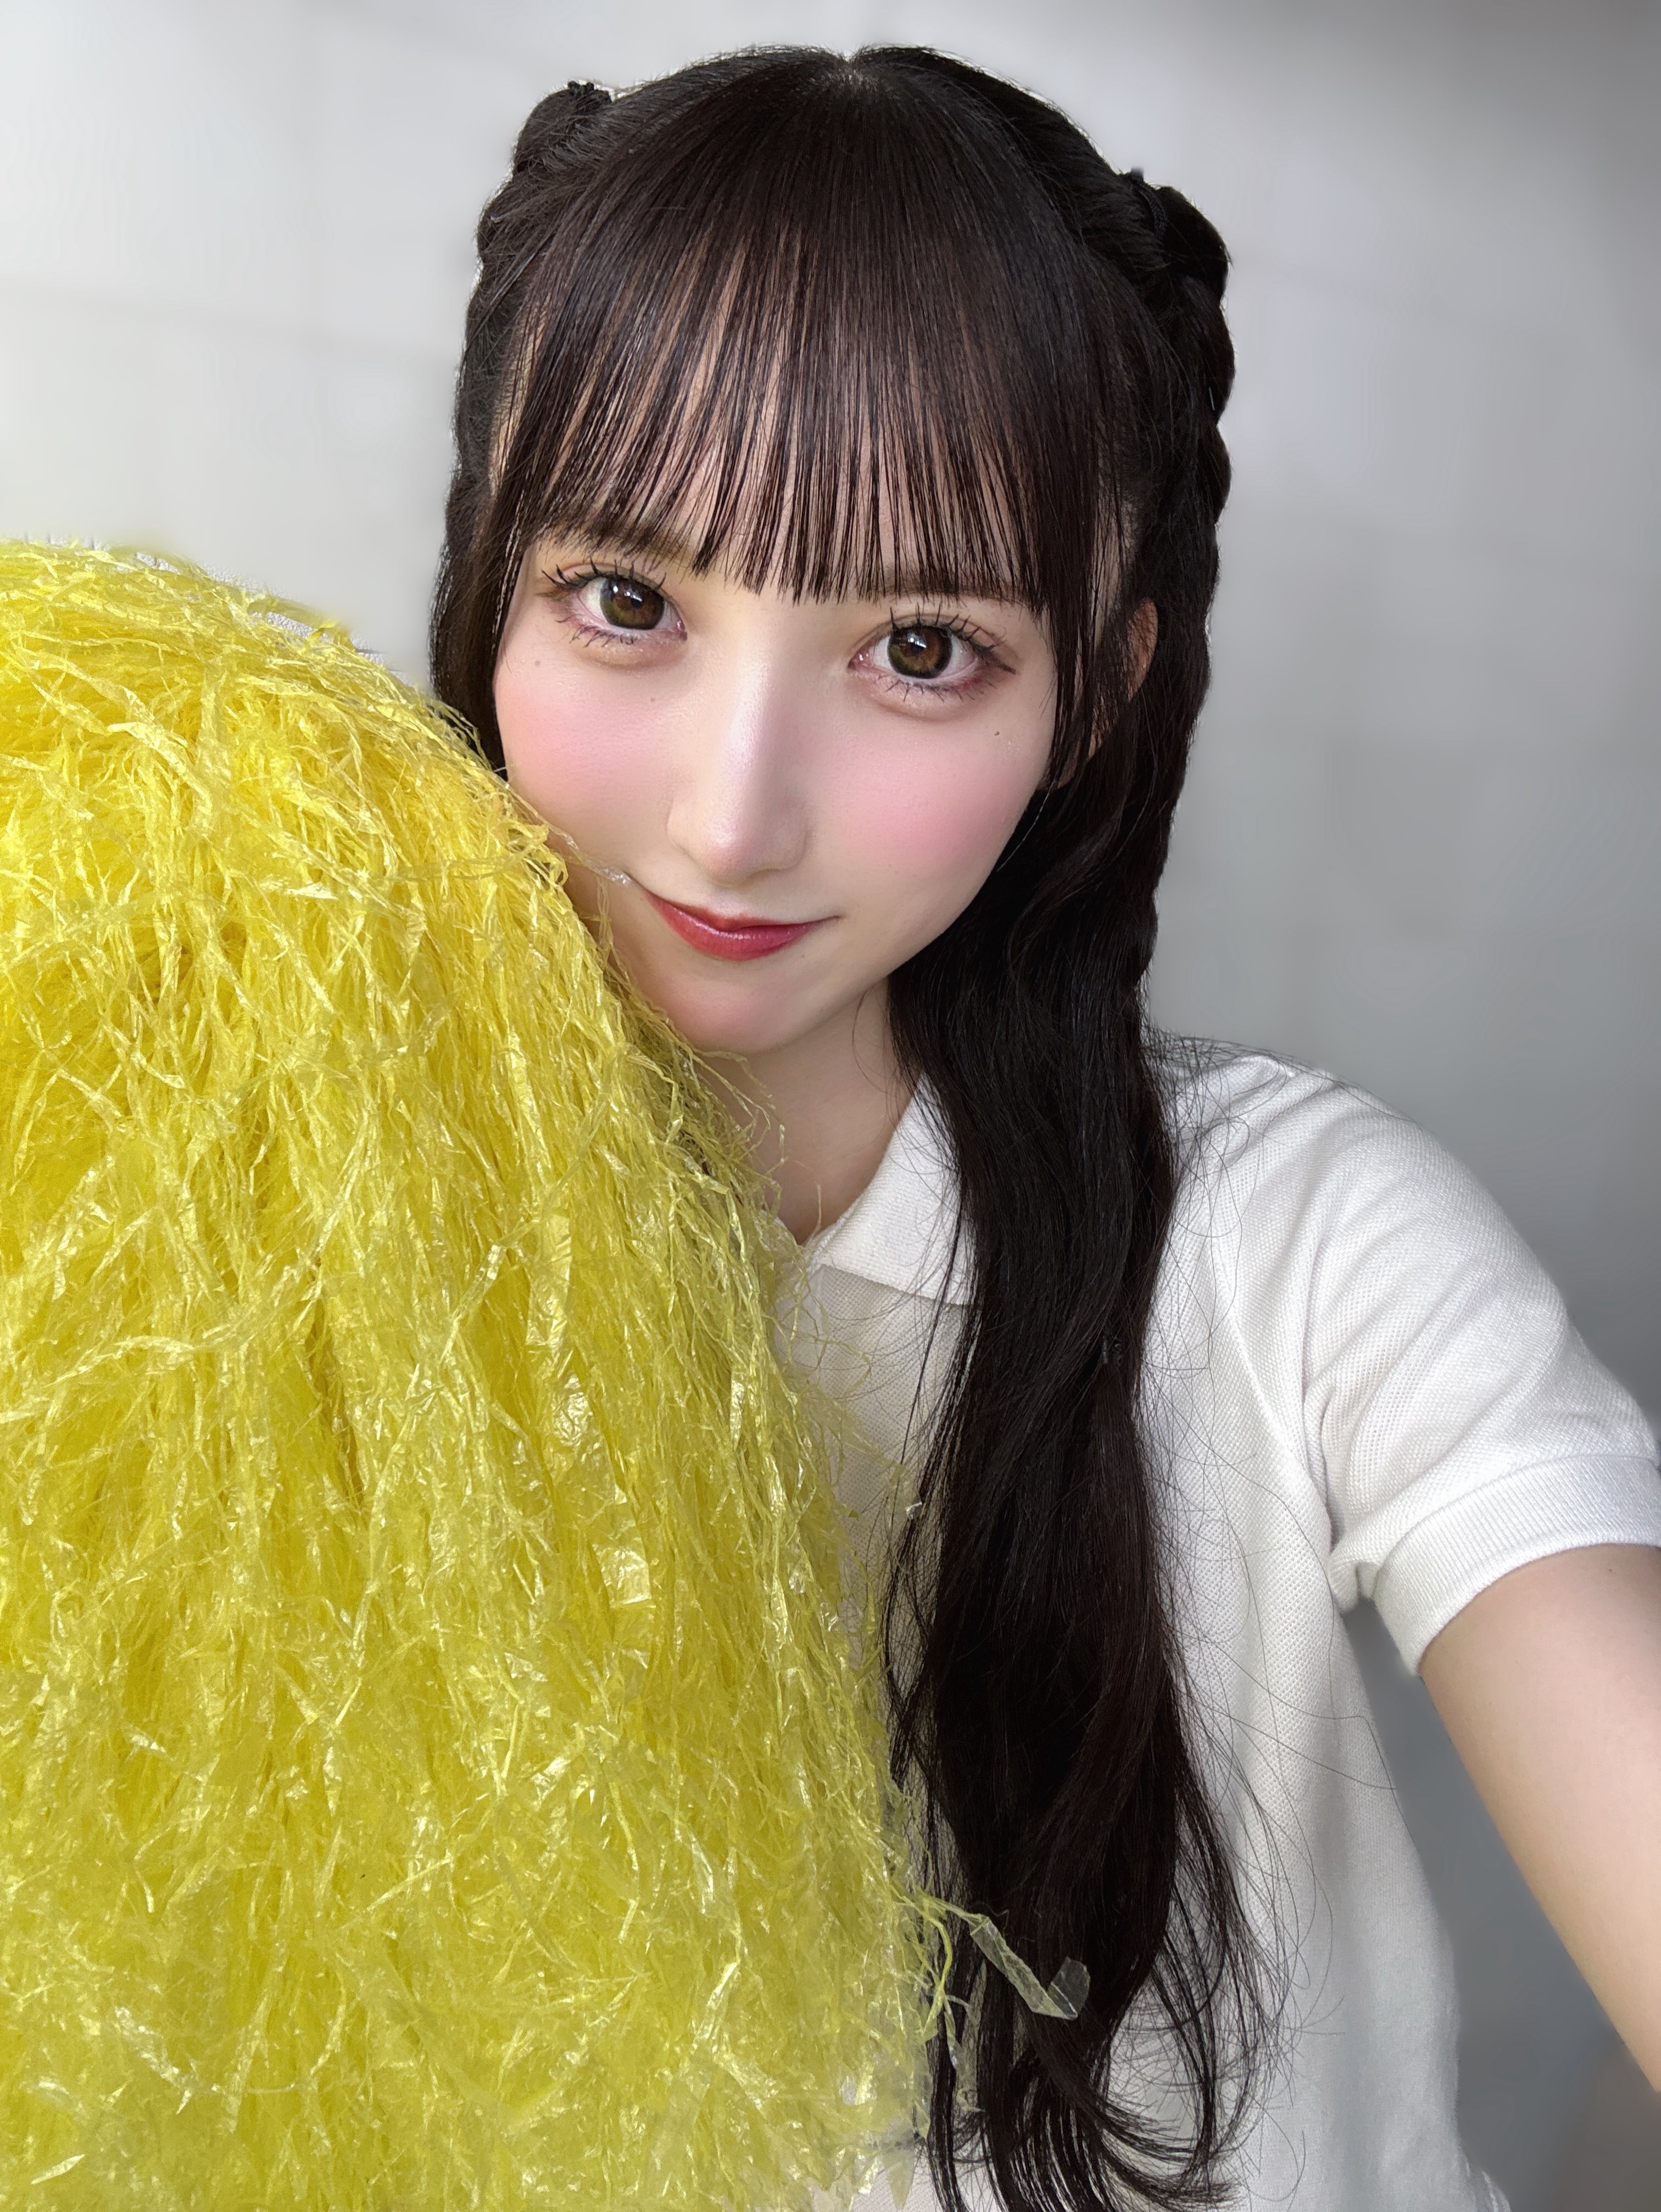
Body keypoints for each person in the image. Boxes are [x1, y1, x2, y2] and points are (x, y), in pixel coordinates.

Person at [428, 47, 1661, 2212]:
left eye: (920, 646)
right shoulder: (327, 1246)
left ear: (1095, 693)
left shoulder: (1297, 1245)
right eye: (628, 601)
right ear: (491, 590)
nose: (732, 812)